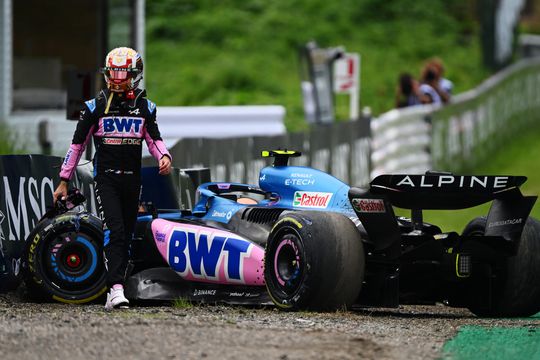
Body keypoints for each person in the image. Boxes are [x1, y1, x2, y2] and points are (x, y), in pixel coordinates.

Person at [53, 47, 172, 310]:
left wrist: (165, 157)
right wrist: (64, 179)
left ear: (135, 75)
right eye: (113, 72)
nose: (117, 78)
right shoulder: (94, 107)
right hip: (106, 178)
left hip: (133, 179)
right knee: (115, 230)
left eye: (122, 73)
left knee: (127, 233)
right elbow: (77, 145)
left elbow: (154, 139)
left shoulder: (144, 106)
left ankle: (123, 283)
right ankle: (114, 289)